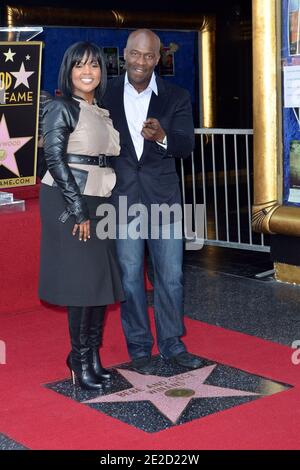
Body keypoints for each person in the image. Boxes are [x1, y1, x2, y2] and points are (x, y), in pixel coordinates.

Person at [102, 29, 202, 374]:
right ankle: (140, 346)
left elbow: (186, 146)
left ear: (158, 59)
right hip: (122, 199)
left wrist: (161, 137)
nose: (140, 62)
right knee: (130, 278)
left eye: (148, 56)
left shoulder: (176, 95)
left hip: (165, 200)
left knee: (171, 277)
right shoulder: (106, 93)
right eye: (134, 54)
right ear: (124, 55)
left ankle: (173, 344)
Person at [39, 42, 124, 390]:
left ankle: (90, 357)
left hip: (98, 199)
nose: (88, 72)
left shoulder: (100, 110)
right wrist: (76, 208)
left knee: (98, 283)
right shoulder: (61, 107)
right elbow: (55, 159)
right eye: (80, 66)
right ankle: (78, 357)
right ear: (69, 71)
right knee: (81, 283)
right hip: (68, 199)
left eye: (94, 66)